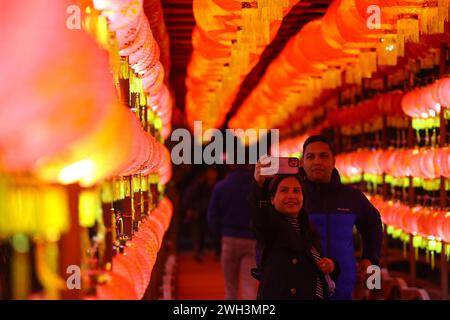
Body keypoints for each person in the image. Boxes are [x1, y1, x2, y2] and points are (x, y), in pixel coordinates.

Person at [253, 135, 383, 300]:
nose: (317, 162)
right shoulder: (294, 196)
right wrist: (260, 187)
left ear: (334, 161)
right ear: (302, 162)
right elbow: (264, 225)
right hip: (300, 288)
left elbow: (373, 224)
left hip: (343, 284)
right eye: (310, 157)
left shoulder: (351, 197)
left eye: (323, 156)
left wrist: (370, 258)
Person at [252, 174, 338, 300]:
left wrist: (331, 264)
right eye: (284, 190)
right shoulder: (270, 227)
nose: (291, 196)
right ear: (272, 199)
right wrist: (259, 185)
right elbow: (260, 216)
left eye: (297, 191)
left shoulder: (307, 228)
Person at [207, 164, 258, 300]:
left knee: (230, 289)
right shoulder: (256, 186)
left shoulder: (221, 186)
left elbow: (212, 215)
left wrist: (219, 236)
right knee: (249, 287)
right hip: (251, 239)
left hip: (228, 238)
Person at [182, 167, 218, 262]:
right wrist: (189, 209)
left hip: (207, 212)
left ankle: (205, 251)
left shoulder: (213, 185)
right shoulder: (198, 185)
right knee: (198, 233)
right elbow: (188, 198)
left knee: (204, 233)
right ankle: (198, 252)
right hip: (197, 213)